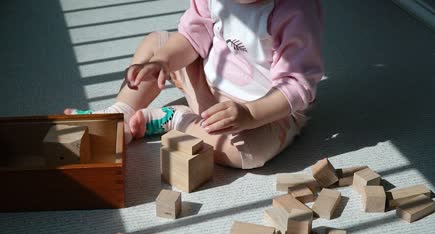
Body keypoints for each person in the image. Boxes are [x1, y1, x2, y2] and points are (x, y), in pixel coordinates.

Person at [65, 0, 323, 169]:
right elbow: (191, 37)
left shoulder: (296, 12)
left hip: (264, 110)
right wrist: (162, 62)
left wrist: (250, 114)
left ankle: (174, 118)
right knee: (156, 45)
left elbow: (296, 85)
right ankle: (121, 112)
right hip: (207, 81)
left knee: (246, 154)